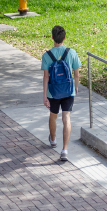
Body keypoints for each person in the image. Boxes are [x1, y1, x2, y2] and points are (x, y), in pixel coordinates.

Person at [41, 25, 81, 162]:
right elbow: (76, 74)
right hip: (68, 91)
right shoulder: (72, 53)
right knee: (66, 118)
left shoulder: (46, 56)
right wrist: (75, 87)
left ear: (52, 37)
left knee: (53, 116)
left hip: (53, 92)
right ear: (64, 37)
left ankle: (53, 140)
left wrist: (45, 95)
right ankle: (64, 149)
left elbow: (46, 77)